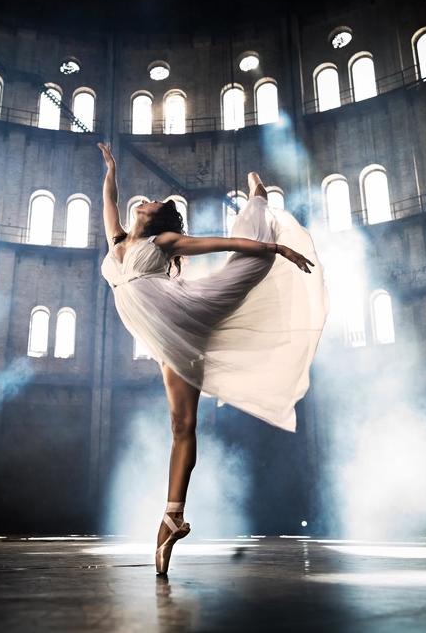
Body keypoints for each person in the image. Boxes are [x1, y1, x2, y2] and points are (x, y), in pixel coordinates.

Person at [97, 143, 328, 575]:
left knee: (243, 268)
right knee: (180, 425)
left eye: (151, 202)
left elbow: (222, 242)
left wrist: (276, 250)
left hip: (188, 314)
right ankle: (170, 522)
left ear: (152, 217)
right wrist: (110, 169)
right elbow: (109, 200)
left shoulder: (163, 240)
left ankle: (257, 200)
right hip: (167, 339)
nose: (144, 201)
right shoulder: (117, 243)